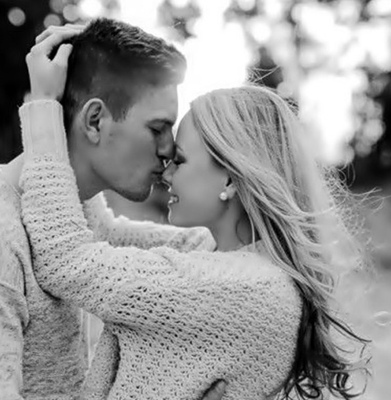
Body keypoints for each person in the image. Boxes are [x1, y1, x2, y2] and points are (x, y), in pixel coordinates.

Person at [17, 21, 369, 400]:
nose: (166, 170)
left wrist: (44, 108)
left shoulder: (240, 290)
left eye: (181, 160)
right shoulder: (214, 254)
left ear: (230, 180)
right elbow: (105, 235)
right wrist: (99, 58)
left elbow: (65, 260)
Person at [0, 19, 225, 400]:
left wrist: (254, 243)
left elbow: (121, 241)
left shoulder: (76, 204)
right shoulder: (4, 229)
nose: (169, 150)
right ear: (94, 121)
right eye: (157, 128)